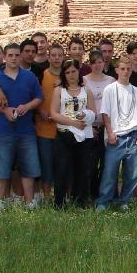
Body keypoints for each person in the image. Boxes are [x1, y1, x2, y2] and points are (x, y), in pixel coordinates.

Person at [0, 43, 44, 210]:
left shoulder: (29, 76)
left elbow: (39, 97)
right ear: (4, 57)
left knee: (29, 167)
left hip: (26, 130)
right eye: (10, 55)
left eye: (17, 55)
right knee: (1, 168)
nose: (14, 58)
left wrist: (28, 106)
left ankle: (29, 202)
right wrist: (5, 110)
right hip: (3, 130)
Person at [95, 55, 137, 211]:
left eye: (128, 69)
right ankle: (103, 201)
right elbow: (105, 113)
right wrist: (110, 132)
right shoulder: (110, 89)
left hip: (133, 136)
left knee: (134, 173)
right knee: (109, 172)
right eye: (123, 69)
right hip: (116, 137)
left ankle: (124, 201)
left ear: (131, 71)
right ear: (117, 70)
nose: (126, 72)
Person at [51, 59, 97, 208]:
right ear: (64, 74)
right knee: (62, 169)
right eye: (67, 72)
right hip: (64, 134)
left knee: (82, 169)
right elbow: (54, 113)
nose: (71, 75)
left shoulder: (86, 91)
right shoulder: (59, 91)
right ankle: (59, 203)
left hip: (83, 136)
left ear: (79, 72)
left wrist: (86, 116)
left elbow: (94, 113)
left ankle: (80, 202)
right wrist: (72, 123)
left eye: (74, 71)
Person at [35, 43, 65, 201]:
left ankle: (64, 196)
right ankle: (46, 197)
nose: (56, 58)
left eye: (59, 55)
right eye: (53, 55)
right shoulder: (42, 76)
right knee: (46, 164)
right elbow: (35, 97)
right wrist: (40, 110)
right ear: (48, 57)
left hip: (63, 129)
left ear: (64, 57)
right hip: (44, 128)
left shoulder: (68, 76)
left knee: (63, 165)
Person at [85, 50, 116, 197]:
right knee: (90, 163)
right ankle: (90, 194)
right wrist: (88, 125)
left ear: (104, 63)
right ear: (90, 64)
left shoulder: (111, 81)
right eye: (94, 62)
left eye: (100, 62)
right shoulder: (84, 80)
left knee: (106, 163)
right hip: (89, 127)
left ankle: (104, 194)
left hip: (107, 126)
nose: (97, 65)